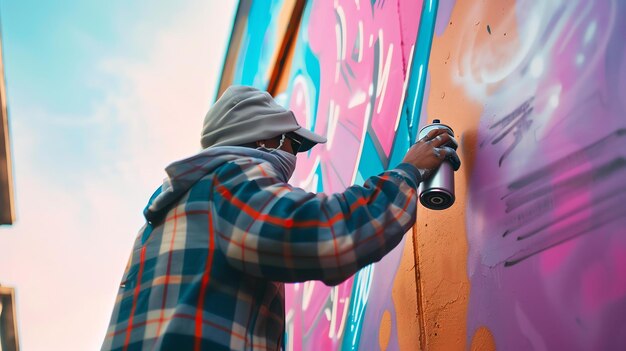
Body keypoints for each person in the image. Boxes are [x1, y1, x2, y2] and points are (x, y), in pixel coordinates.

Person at [101, 85, 460, 351]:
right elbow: (324, 235)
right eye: (296, 143)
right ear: (266, 139)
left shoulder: (168, 215)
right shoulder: (228, 179)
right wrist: (406, 172)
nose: (296, 156)